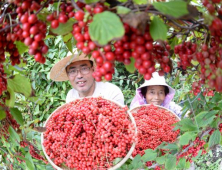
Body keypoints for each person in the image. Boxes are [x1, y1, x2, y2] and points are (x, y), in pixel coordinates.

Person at [49, 50, 124, 105]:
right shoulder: (71, 96)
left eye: (84, 69)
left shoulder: (111, 93)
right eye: (73, 71)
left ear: (93, 70)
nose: (79, 76)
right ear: (68, 75)